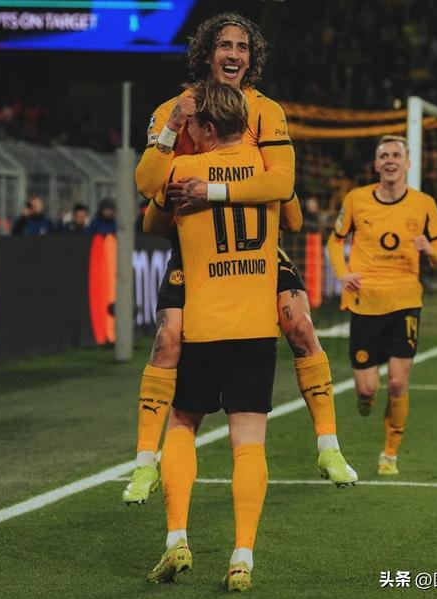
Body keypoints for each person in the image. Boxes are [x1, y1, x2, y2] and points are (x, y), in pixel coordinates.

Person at [123, 12, 356, 506]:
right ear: (207, 53)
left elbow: (282, 184)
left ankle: (329, 446)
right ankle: (144, 462)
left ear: (252, 59)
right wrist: (173, 127)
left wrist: (213, 190)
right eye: (225, 45)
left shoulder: (265, 109)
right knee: (167, 338)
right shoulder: (173, 109)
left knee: (298, 323)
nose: (234, 54)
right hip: (194, 245)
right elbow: (146, 185)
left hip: (254, 243)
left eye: (243, 47)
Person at [144, 80, 279, 591]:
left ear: (204, 126)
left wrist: (168, 130)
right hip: (256, 326)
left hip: (204, 324)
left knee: (182, 422)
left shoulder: (184, 169)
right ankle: (242, 557)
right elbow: (290, 207)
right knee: (249, 444)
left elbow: (146, 198)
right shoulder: (268, 169)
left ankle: (177, 537)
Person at [327, 135, 437, 475]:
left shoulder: (424, 204)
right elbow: (335, 241)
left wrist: (430, 251)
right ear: (376, 164)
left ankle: (390, 454)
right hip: (365, 301)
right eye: (385, 156)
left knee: (397, 382)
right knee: (367, 388)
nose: (391, 160)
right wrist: (343, 274)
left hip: (405, 301)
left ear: (408, 163)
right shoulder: (356, 199)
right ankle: (365, 399)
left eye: (397, 155)